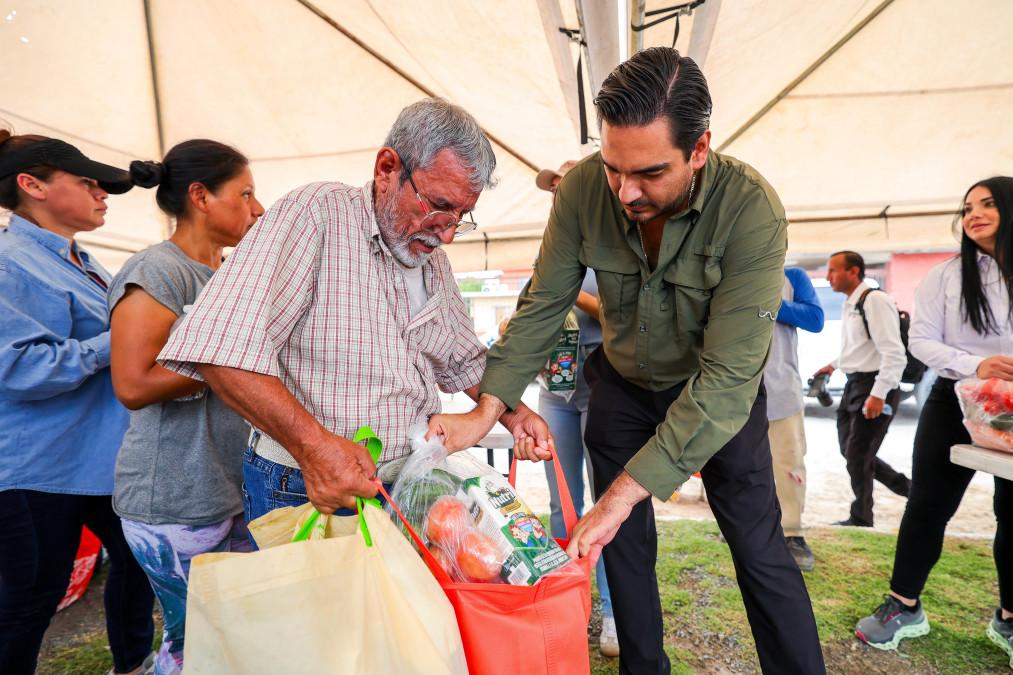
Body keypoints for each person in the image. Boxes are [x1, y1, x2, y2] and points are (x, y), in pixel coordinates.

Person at [430, 48, 825, 674]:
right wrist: (487, 410)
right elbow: (541, 305)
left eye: (649, 172)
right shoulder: (586, 187)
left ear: (700, 149)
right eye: (614, 168)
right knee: (623, 556)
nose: (626, 191)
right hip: (620, 387)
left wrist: (617, 497)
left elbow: (727, 380)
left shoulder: (751, 209)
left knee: (758, 548)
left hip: (714, 399)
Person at [157, 98, 552, 522]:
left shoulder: (431, 256)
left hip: (408, 481)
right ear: (387, 169)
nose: (449, 233)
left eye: (462, 215)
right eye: (438, 205)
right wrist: (316, 450)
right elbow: (220, 351)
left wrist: (518, 415)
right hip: (308, 485)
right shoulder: (314, 215)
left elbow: (464, 361)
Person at [0, 132, 156, 675]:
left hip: (96, 459)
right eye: (87, 182)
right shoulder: (10, 263)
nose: (102, 193)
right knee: (29, 600)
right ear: (32, 185)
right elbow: (20, 368)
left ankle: (133, 663)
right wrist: (124, 339)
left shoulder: (77, 258)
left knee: (140, 561)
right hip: (38, 468)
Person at [108, 140, 264, 675]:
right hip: (173, 496)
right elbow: (132, 382)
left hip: (228, 488)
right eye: (244, 194)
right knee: (192, 641)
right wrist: (230, 363)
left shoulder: (230, 276)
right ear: (200, 196)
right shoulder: (158, 270)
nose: (258, 209)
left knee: (236, 633)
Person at [854, 176, 1013, 664]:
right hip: (955, 399)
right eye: (967, 207)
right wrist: (975, 365)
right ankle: (904, 606)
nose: (974, 214)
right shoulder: (944, 276)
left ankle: (1009, 618)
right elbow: (920, 342)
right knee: (927, 504)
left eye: (987, 204)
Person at [534, 160, 617, 657]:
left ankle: (611, 611)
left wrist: (571, 294)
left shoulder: (613, 245)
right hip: (555, 388)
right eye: (554, 190)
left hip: (603, 383)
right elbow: (534, 310)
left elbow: (615, 315)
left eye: (567, 187)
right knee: (561, 505)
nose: (558, 195)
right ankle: (569, 602)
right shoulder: (550, 246)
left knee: (606, 506)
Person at [813, 251, 910, 527]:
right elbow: (858, 348)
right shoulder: (851, 302)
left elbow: (894, 353)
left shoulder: (874, 300)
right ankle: (912, 491)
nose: (828, 276)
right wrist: (832, 366)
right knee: (851, 451)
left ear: (853, 272)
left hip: (875, 385)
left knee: (857, 453)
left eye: (833, 270)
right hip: (854, 384)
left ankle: (861, 517)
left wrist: (878, 394)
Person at [767, 268, 824, 571]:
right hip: (732, 391)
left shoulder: (793, 277)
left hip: (780, 390)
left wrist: (769, 301)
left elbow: (815, 319)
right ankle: (750, 526)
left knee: (789, 465)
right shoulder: (725, 269)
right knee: (741, 465)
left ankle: (792, 532)